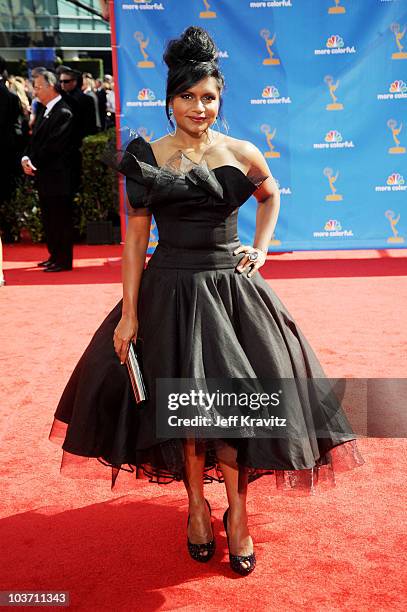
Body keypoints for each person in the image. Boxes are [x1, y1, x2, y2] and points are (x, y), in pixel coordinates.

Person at [48, 26, 363, 575]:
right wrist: (129, 314)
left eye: (209, 97)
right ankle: (196, 507)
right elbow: (136, 240)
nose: (200, 107)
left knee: (238, 415)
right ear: (170, 100)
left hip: (231, 297)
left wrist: (260, 250)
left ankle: (237, 515)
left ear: (221, 100)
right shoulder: (147, 156)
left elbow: (271, 194)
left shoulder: (241, 152)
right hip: (167, 291)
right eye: (189, 97)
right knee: (189, 417)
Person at [22, 70, 76, 272]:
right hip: (45, 175)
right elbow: (34, 140)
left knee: (60, 219)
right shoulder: (46, 110)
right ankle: (54, 255)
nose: (34, 91)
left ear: (51, 86)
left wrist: (33, 161)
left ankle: (63, 260)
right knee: (49, 218)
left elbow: (54, 146)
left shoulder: (63, 112)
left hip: (59, 178)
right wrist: (26, 158)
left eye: (37, 87)